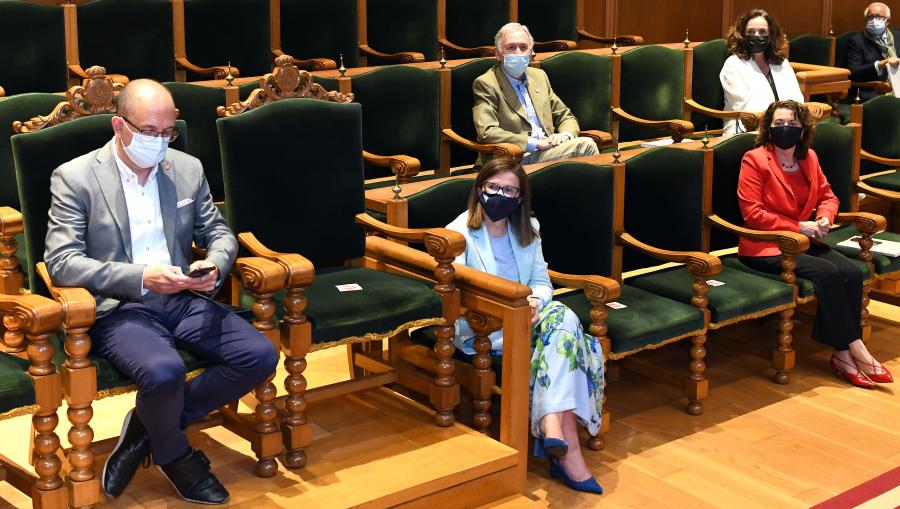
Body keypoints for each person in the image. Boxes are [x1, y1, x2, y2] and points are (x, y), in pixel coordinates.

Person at [44, 80, 278, 504]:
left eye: (167, 132)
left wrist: (215, 264)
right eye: (149, 132)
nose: (159, 142)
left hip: (182, 296)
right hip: (120, 307)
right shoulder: (76, 177)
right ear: (119, 125)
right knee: (164, 371)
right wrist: (139, 276)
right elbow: (61, 262)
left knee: (259, 356)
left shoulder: (186, 169)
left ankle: (148, 427)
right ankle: (175, 454)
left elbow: (220, 232)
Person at [446, 157, 604, 494]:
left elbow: (542, 282)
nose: (500, 194)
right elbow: (459, 289)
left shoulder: (528, 229)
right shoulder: (459, 232)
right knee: (570, 337)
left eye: (510, 190)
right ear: (479, 189)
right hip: (484, 326)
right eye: (494, 188)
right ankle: (566, 449)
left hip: (526, 319)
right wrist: (511, 307)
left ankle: (552, 426)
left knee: (563, 318)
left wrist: (534, 302)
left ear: (519, 198)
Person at [737, 100, 893, 389]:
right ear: (768, 128)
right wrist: (798, 226)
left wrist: (823, 219)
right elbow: (753, 214)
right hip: (765, 246)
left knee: (853, 272)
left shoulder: (808, 158)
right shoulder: (755, 159)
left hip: (803, 241)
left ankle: (842, 354)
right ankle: (854, 349)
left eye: (792, 125)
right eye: (779, 124)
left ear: (803, 129)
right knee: (829, 274)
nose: (785, 129)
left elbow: (828, 197)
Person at [472, 22, 599, 166]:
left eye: (523, 47)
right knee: (586, 146)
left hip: (550, 150)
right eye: (511, 48)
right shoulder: (486, 83)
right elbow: (487, 132)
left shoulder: (539, 76)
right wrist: (536, 144)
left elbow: (565, 115)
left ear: (531, 52)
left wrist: (565, 135)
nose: (518, 53)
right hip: (513, 158)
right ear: (498, 54)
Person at [720, 9, 804, 134]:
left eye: (762, 31)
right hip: (747, 129)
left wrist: (787, 122)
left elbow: (797, 100)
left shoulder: (782, 63)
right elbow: (745, 109)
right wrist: (777, 122)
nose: (757, 35)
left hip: (785, 126)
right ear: (742, 35)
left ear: (770, 36)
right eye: (751, 32)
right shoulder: (733, 64)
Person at [846, 2, 900, 101]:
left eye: (879, 17)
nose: (874, 20)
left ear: (887, 21)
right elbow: (854, 73)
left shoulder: (897, 36)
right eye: (870, 17)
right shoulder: (856, 41)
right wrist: (880, 64)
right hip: (873, 92)